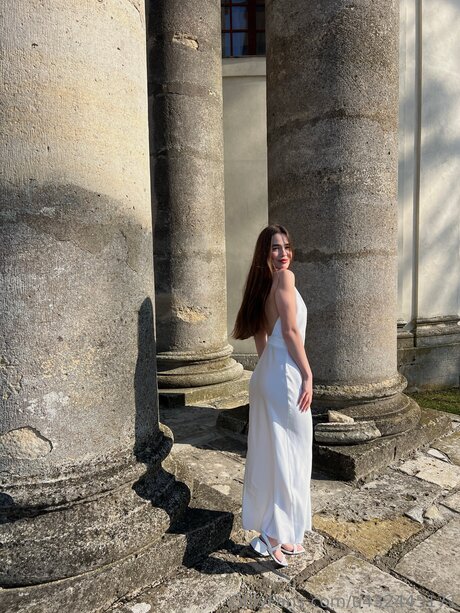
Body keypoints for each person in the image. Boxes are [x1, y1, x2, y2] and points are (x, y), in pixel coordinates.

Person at [232, 224, 313, 567]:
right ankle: (273, 534)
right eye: (275, 248)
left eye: (287, 247)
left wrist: (270, 369)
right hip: (285, 377)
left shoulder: (262, 286)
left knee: (274, 451)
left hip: (269, 375)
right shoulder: (284, 279)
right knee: (290, 453)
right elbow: (291, 331)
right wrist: (307, 374)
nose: (283, 254)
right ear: (265, 254)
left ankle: (283, 531)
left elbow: (261, 337)